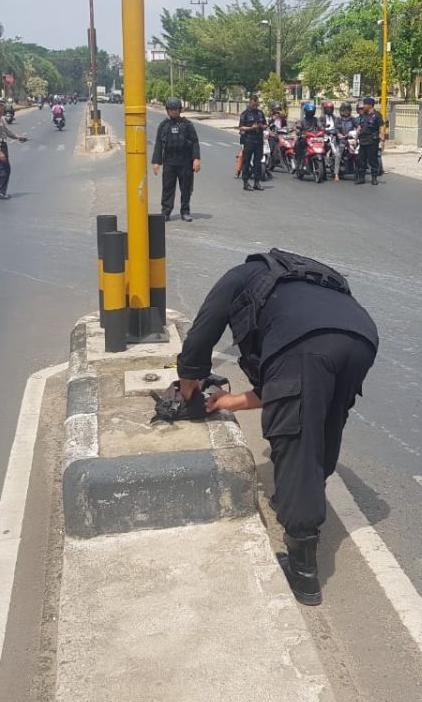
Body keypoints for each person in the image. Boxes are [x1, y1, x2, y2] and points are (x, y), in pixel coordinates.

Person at [175, 248, 378, 605]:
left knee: (296, 438)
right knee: (325, 422)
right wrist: (231, 401)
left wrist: (189, 380)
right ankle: (293, 497)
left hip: (307, 344)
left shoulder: (242, 275)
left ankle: (304, 573)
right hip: (361, 337)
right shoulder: (313, 279)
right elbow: (291, 384)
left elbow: (204, 328)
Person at [150, 97, 201, 222]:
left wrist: (196, 159)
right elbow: (158, 144)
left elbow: (195, 142)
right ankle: (166, 212)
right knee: (167, 188)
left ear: (180, 110)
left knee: (186, 188)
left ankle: (185, 211)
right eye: (171, 109)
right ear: (167, 110)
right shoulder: (163, 125)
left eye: (176, 109)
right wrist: (156, 162)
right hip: (169, 162)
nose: (173, 112)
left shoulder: (187, 125)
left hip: (185, 162)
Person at [0, 97, 28, 200]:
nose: (3, 108)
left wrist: (18, 137)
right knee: (5, 170)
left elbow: (6, 131)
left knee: (1, 169)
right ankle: (1, 192)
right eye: (1, 106)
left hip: (2, 145)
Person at [237, 93, 266, 192]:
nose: (255, 106)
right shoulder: (245, 114)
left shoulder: (260, 113)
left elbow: (265, 125)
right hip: (249, 140)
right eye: (254, 104)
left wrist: (262, 126)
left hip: (259, 140)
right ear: (250, 103)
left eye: (256, 104)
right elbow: (241, 127)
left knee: (258, 162)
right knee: (246, 161)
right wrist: (251, 128)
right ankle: (245, 182)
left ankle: (256, 182)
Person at [354, 96, 383, 185]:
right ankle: (361, 178)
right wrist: (355, 139)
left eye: (365, 104)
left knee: (372, 159)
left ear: (370, 105)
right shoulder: (363, 115)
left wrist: (383, 140)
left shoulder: (377, 115)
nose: (363, 106)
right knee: (361, 159)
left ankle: (374, 178)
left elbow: (381, 127)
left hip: (372, 141)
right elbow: (359, 127)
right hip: (362, 140)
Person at [293, 101, 320, 173]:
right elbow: (298, 128)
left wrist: (324, 130)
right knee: (298, 145)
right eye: (309, 112)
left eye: (312, 112)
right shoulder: (302, 120)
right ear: (306, 112)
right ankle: (298, 164)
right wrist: (299, 132)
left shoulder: (315, 119)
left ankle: (323, 170)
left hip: (314, 138)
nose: (310, 113)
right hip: (304, 138)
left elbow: (320, 127)